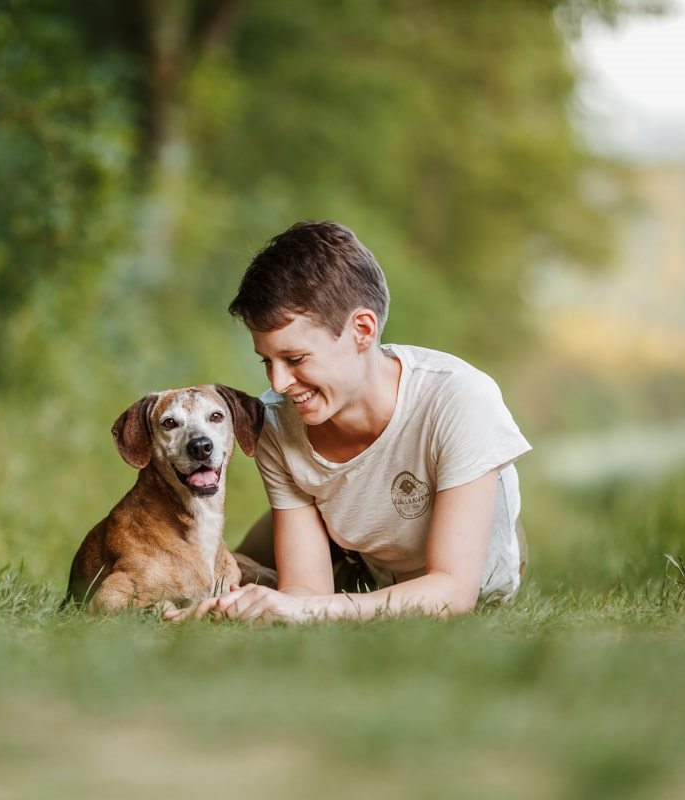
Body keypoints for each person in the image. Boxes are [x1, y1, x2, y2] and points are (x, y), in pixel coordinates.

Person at [165, 221, 530, 623]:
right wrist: (276, 605)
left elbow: (454, 592)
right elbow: (305, 593)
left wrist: (315, 607)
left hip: (460, 563)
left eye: (297, 359)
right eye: (267, 361)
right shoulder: (278, 423)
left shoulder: (460, 398)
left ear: (362, 330)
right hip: (360, 553)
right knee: (240, 571)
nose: (279, 383)